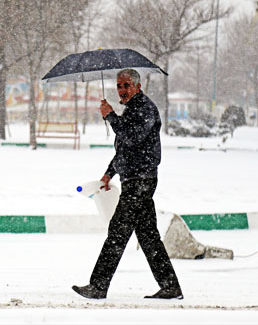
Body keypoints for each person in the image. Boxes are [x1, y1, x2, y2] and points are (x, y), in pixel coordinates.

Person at [72, 68, 183, 300]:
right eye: (119, 86)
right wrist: (108, 174)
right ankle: (170, 287)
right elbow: (125, 148)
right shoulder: (132, 110)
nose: (121, 90)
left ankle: (98, 286)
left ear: (137, 87)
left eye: (126, 86)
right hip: (136, 179)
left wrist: (111, 116)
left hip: (140, 181)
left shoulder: (145, 109)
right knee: (148, 235)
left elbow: (132, 137)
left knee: (118, 232)